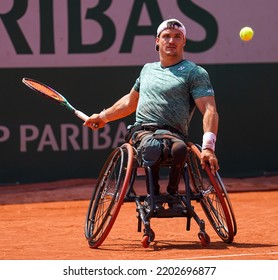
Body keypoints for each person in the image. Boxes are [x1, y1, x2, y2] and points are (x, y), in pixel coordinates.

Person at [84, 18, 219, 210]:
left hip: (174, 134)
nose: (171, 40)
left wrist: (208, 148)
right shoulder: (147, 70)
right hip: (143, 131)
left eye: (177, 37)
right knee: (152, 147)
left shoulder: (195, 72)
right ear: (157, 41)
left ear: (184, 42)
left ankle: (173, 195)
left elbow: (209, 110)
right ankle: (153, 196)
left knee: (180, 150)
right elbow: (130, 102)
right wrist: (103, 117)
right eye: (166, 36)